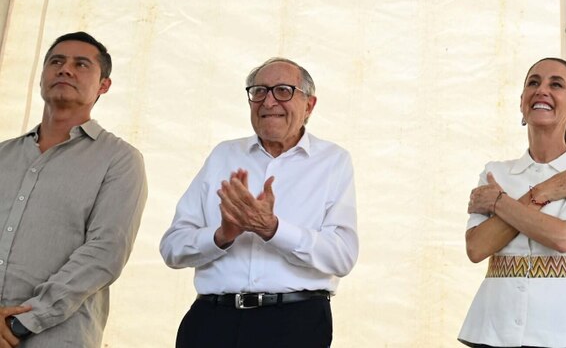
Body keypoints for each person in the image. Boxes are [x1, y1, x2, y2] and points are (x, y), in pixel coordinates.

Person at [160, 57, 358, 348]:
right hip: (211, 321)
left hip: (294, 324)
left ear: (309, 105)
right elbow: (172, 248)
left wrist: (273, 229)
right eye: (259, 91)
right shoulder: (223, 156)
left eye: (283, 91)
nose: (268, 102)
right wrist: (222, 235)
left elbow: (341, 257)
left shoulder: (333, 161)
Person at [0, 32, 147, 347]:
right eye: (56, 62)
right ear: (41, 77)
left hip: (53, 337)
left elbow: (105, 253)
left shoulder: (119, 160)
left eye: (81, 64)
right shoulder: (3, 155)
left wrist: (21, 323)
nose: (65, 70)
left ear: (103, 85)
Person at [459, 57, 566, 348]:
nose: (542, 90)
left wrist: (500, 203)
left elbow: (565, 237)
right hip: (492, 331)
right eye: (533, 83)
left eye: (556, 84)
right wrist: (545, 191)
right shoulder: (495, 172)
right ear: (521, 103)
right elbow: (477, 248)